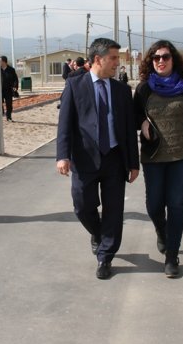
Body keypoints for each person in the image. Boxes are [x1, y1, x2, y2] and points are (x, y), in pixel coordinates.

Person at [56, 38, 140, 280]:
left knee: (114, 209)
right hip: (84, 158)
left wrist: (133, 163)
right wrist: (63, 156)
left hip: (114, 158)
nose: (117, 63)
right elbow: (65, 124)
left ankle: (105, 256)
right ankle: (98, 232)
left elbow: (127, 130)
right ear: (97, 59)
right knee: (82, 205)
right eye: (113, 58)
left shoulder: (122, 90)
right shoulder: (75, 85)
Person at [133, 40, 183, 277]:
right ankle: (161, 231)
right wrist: (142, 122)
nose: (160, 61)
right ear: (151, 61)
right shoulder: (145, 88)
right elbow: (134, 114)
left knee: (175, 204)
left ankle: (171, 255)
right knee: (154, 204)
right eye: (156, 58)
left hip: (181, 155)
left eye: (165, 57)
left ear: (173, 59)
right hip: (153, 156)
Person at [0, 55, 19, 122]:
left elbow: (15, 79)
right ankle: (1, 114)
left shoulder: (11, 70)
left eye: (0, 61)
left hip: (8, 90)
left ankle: (9, 117)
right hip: (0, 90)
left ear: (4, 62)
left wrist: (15, 87)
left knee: (9, 104)